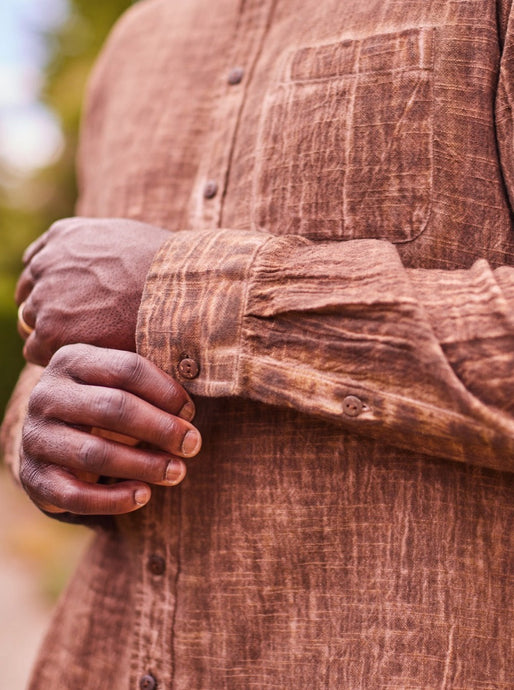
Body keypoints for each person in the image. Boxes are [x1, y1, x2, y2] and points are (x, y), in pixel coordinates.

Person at [2, 0, 514, 686]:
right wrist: (38, 435)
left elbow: (149, 285)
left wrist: (191, 288)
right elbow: (55, 354)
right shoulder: (133, 43)